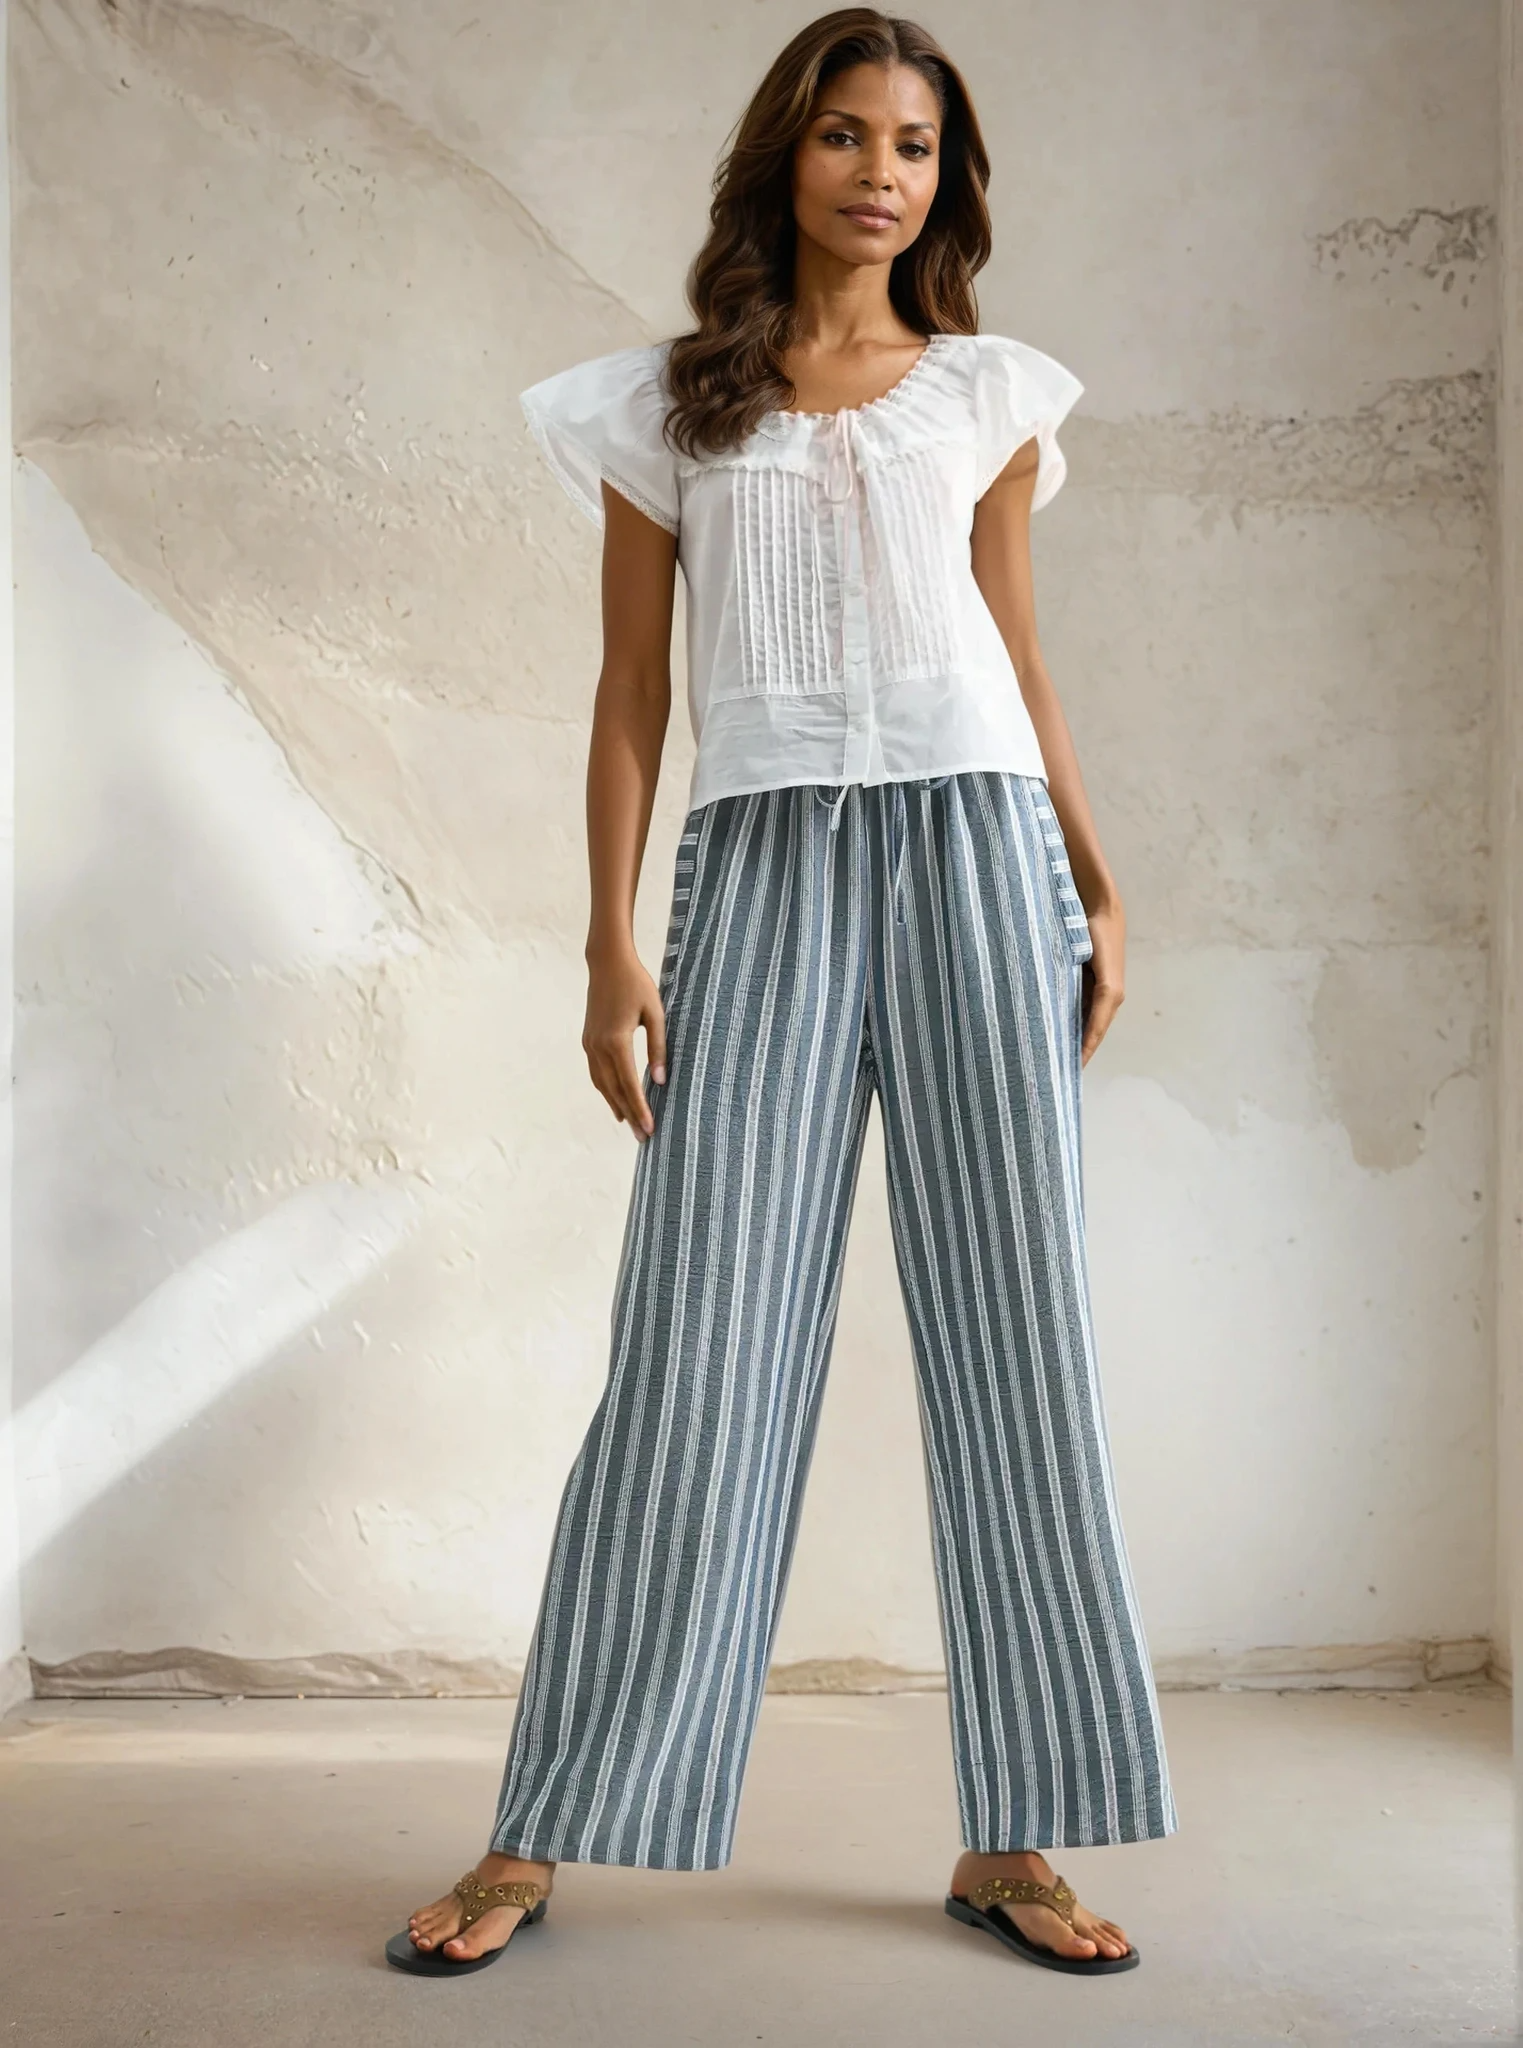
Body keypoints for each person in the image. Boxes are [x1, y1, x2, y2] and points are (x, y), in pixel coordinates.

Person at [387, 4, 1177, 1982]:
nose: (878, 171)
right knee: (694, 1344)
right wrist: (607, 944)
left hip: (979, 855)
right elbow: (629, 694)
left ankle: (1013, 1838)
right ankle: (539, 1824)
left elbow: (1019, 654)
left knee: (1018, 1337)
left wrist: (1093, 872)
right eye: (844, 134)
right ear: (783, 154)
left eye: (911, 143)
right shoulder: (664, 407)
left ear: (944, 178)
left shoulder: (985, 392)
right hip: (756, 871)